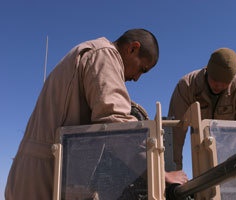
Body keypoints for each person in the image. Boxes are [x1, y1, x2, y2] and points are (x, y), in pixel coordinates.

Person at [5, 28, 186, 200]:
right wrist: (162, 174)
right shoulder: (103, 55)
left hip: (45, 171)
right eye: (142, 69)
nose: (137, 78)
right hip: (44, 175)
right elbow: (119, 126)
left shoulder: (93, 52)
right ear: (133, 48)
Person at [168, 47, 236, 171]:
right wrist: (174, 173)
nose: (219, 86)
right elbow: (175, 135)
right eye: (215, 80)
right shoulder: (187, 86)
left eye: (225, 82)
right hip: (202, 153)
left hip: (234, 157)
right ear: (208, 71)